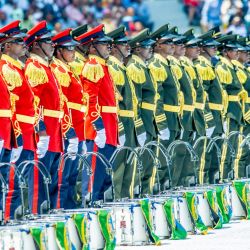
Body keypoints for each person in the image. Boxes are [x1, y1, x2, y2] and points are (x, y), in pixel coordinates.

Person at [24, 21, 78, 213]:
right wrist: (42, 132)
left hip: (55, 131)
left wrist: (66, 131)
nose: (52, 45)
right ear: (36, 44)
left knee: (52, 179)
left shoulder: (46, 67)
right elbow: (33, 103)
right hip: (45, 132)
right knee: (39, 180)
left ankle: (48, 214)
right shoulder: (35, 68)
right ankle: (37, 216)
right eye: (48, 42)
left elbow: (60, 103)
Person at [75, 24, 118, 203]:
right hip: (99, 126)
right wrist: (98, 126)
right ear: (92, 47)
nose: (108, 46)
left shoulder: (101, 66)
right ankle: (90, 204)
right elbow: (89, 99)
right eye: (103, 44)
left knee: (104, 171)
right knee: (94, 174)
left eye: (108, 44)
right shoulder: (93, 66)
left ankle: (98, 203)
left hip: (108, 124)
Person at [0, 20, 36, 219]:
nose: (24, 44)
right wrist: (17, 135)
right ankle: (8, 216)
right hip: (14, 130)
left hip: (22, 129)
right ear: (7, 45)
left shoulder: (16, 68)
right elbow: (11, 108)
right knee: (11, 178)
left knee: (21, 176)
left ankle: (16, 214)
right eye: (18, 41)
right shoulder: (6, 68)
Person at [51, 28, 88, 209]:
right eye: (69, 49)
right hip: (69, 126)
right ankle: (61, 205)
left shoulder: (68, 69)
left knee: (74, 171)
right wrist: (68, 131)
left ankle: (69, 202)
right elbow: (62, 103)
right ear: (59, 51)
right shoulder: (58, 70)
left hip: (78, 125)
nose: (73, 52)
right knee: (64, 172)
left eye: (74, 49)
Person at [107, 25, 139, 199]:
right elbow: (113, 100)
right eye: (123, 43)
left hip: (129, 121)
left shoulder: (120, 67)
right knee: (119, 166)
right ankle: (117, 198)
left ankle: (125, 197)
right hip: (121, 121)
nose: (128, 46)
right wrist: (118, 125)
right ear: (113, 47)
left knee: (129, 163)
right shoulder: (112, 67)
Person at [127, 28, 158, 194]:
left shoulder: (142, 66)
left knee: (148, 163)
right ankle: (138, 194)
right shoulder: (134, 67)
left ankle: (146, 193)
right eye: (147, 47)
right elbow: (134, 100)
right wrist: (139, 125)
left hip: (149, 120)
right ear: (137, 49)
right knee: (139, 165)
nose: (150, 49)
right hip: (141, 121)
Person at [149, 24, 179, 191]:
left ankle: (164, 188)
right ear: (158, 45)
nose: (172, 45)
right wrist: (161, 122)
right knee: (160, 159)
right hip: (164, 117)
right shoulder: (156, 64)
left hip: (173, 117)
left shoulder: (166, 63)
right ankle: (156, 190)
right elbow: (157, 96)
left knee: (170, 157)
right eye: (168, 42)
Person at [195, 30, 225, 183]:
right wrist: (208, 117)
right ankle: (203, 185)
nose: (215, 48)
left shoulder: (208, 64)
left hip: (217, 114)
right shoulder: (201, 66)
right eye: (211, 46)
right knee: (204, 156)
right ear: (203, 47)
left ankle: (211, 184)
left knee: (214, 155)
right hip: (209, 113)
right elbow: (202, 95)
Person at [167, 28, 196, 187]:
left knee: (183, 153)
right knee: (173, 154)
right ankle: (171, 186)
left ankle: (179, 184)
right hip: (175, 115)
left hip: (185, 114)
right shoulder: (169, 64)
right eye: (178, 44)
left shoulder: (179, 64)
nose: (181, 47)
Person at [215, 34, 246, 182]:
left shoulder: (230, 66)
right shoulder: (222, 67)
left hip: (236, 110)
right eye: (234, 50)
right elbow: (221, 91)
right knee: (227, 147)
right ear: (226, 51)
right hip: (229, 111)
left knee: (234, 145)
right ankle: (223, 178)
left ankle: (229, 177)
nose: (237, 53)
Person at [231, 37, 250, 179]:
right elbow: (238, 96)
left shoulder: (243, 69)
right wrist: (246, 113)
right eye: (244, 51)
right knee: (240, 152)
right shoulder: (235, 70)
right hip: (243, 115)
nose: (247, 53)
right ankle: (238, 183)